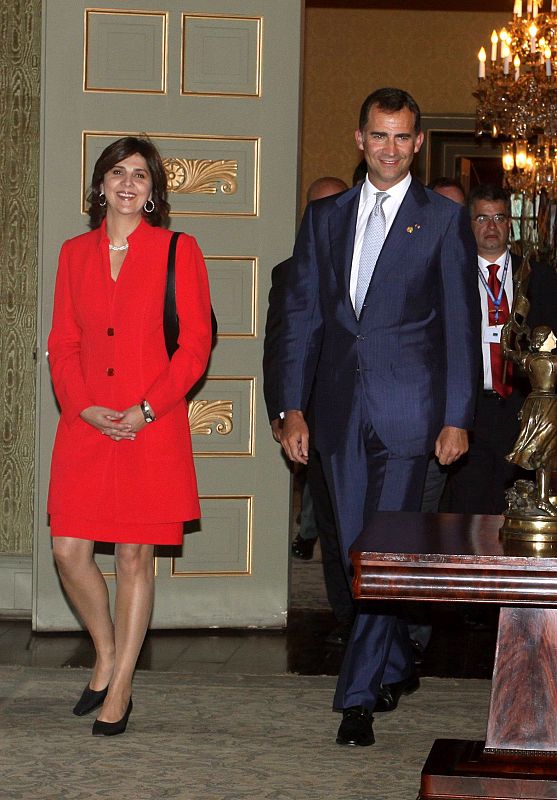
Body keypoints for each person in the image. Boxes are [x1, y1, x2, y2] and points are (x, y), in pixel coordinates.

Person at [278, 87, 481, 747]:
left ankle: (357, 697)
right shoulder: (324, 217)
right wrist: (291, 407)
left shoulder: (443, 220)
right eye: (379, 135)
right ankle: (395, 663)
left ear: (417, 144)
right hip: (336, 411)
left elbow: (460, 325)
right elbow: (302, 319)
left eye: (402, 137)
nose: (389, 149)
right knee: (350, 552)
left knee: (381, 555)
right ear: (360, 139)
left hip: (408, 414)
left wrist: (456, 416)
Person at [47, 136, 212, 736]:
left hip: (152, 424)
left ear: (152, 191)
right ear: (100, 185)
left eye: (139, 175)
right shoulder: (73, 254)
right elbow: (63, 341)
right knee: (69, 549)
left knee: (134, 557)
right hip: (86, 423)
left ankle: (119, 687)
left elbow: (195, 345)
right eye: (117, 172)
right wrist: (82, 406)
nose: (127, 183)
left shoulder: (178, 250)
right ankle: (107, 651)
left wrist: (148, 408)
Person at [263, 176, 355, 644]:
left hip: (372, 417)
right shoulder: (288, 272)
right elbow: (279, 345)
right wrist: (282, 412)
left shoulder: (372, 264)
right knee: (332, 524)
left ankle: (391, 627)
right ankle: (347, 616)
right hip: (314, 418)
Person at [444, 184, 557, 514]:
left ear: (510, 223)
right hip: (471, 411)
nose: (491, 226)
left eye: (499, 218)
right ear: (469, 224)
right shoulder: (452, 276)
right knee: (469, 509)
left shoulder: (539, 277)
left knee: (520, 506)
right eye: (482, 218)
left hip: (523, 409)